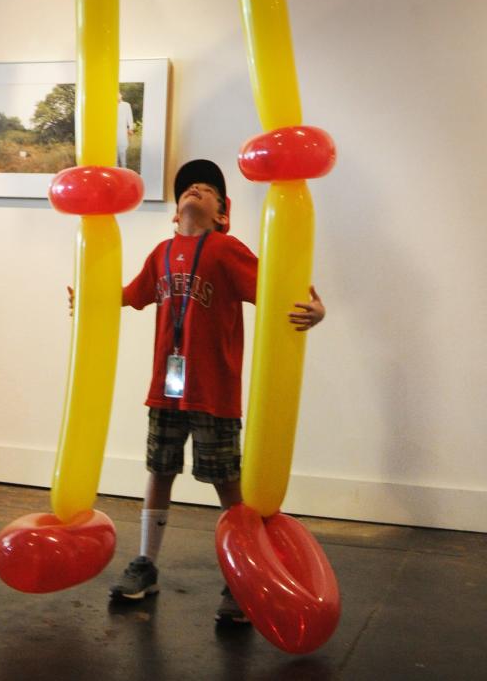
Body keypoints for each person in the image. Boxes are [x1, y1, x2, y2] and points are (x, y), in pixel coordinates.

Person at [109, 158, 324, 624]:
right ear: (175, 209)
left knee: (229, 483)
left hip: (214, 390)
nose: (196, 191)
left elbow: (279, 286)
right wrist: (90, 297)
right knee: (159, 470)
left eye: (208, 190)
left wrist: (314, 307)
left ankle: (243, 577)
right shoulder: (160, 254)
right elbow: (128, 295)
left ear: (223, 213)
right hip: (166, 391)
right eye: (189, 188)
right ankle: (146, 564)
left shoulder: (227, 250)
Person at [116, 92, 135, 169]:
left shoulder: (126, 105)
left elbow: (129, 116)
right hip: (113, 131)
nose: (118, 96)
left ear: (121, 95)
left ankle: (124, 167)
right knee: (114, 153)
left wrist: (130, 128)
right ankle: (116, 169)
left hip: (122, 130)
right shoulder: (110, 105)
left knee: (122, 150)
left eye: (118, 94)